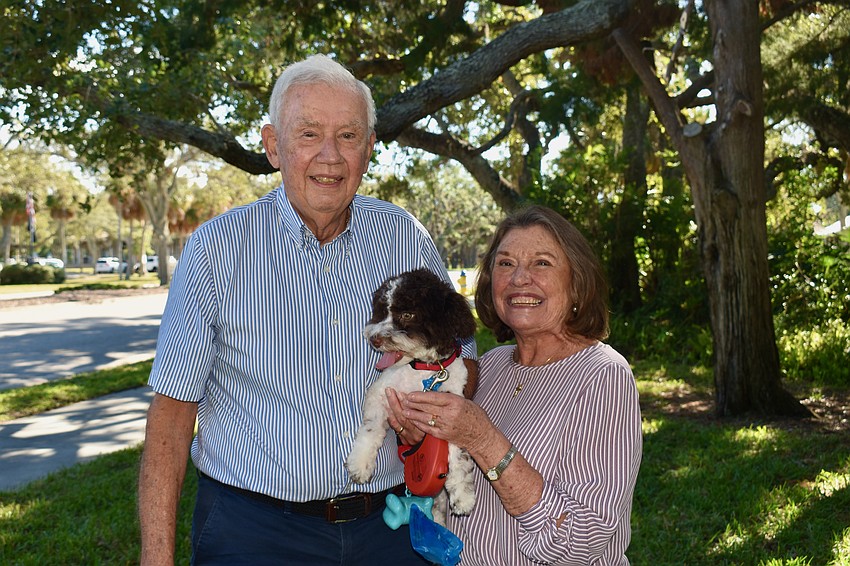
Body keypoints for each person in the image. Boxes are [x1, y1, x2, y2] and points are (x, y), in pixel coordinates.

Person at [138, 54, 477, 565]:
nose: (330, 157)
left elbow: (464, 361)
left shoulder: (407, 238)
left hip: (389, 526)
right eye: (309, 133)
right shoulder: (217, 250)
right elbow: (172, 412)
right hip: (253, 532)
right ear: (273, 146)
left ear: (368, 150)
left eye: (347, 136)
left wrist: (432, 410)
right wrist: (157, 557)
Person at [387, 205, 642, 565]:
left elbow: (581, 540)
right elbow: (454, 486)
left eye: (541, 263)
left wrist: (483, 439)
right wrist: (420, 441)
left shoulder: (603, 374)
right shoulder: (491, 365)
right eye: (505, 263)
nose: (519, 278)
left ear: (576, 282)